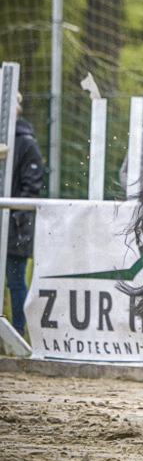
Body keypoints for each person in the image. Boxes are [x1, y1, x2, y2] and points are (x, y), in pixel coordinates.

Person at [6, 92, 43, 337]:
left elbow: (31, 187)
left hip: (15, 227)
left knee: (15, 280)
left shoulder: (27, 143)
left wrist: (16, 216)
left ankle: (18, 330)